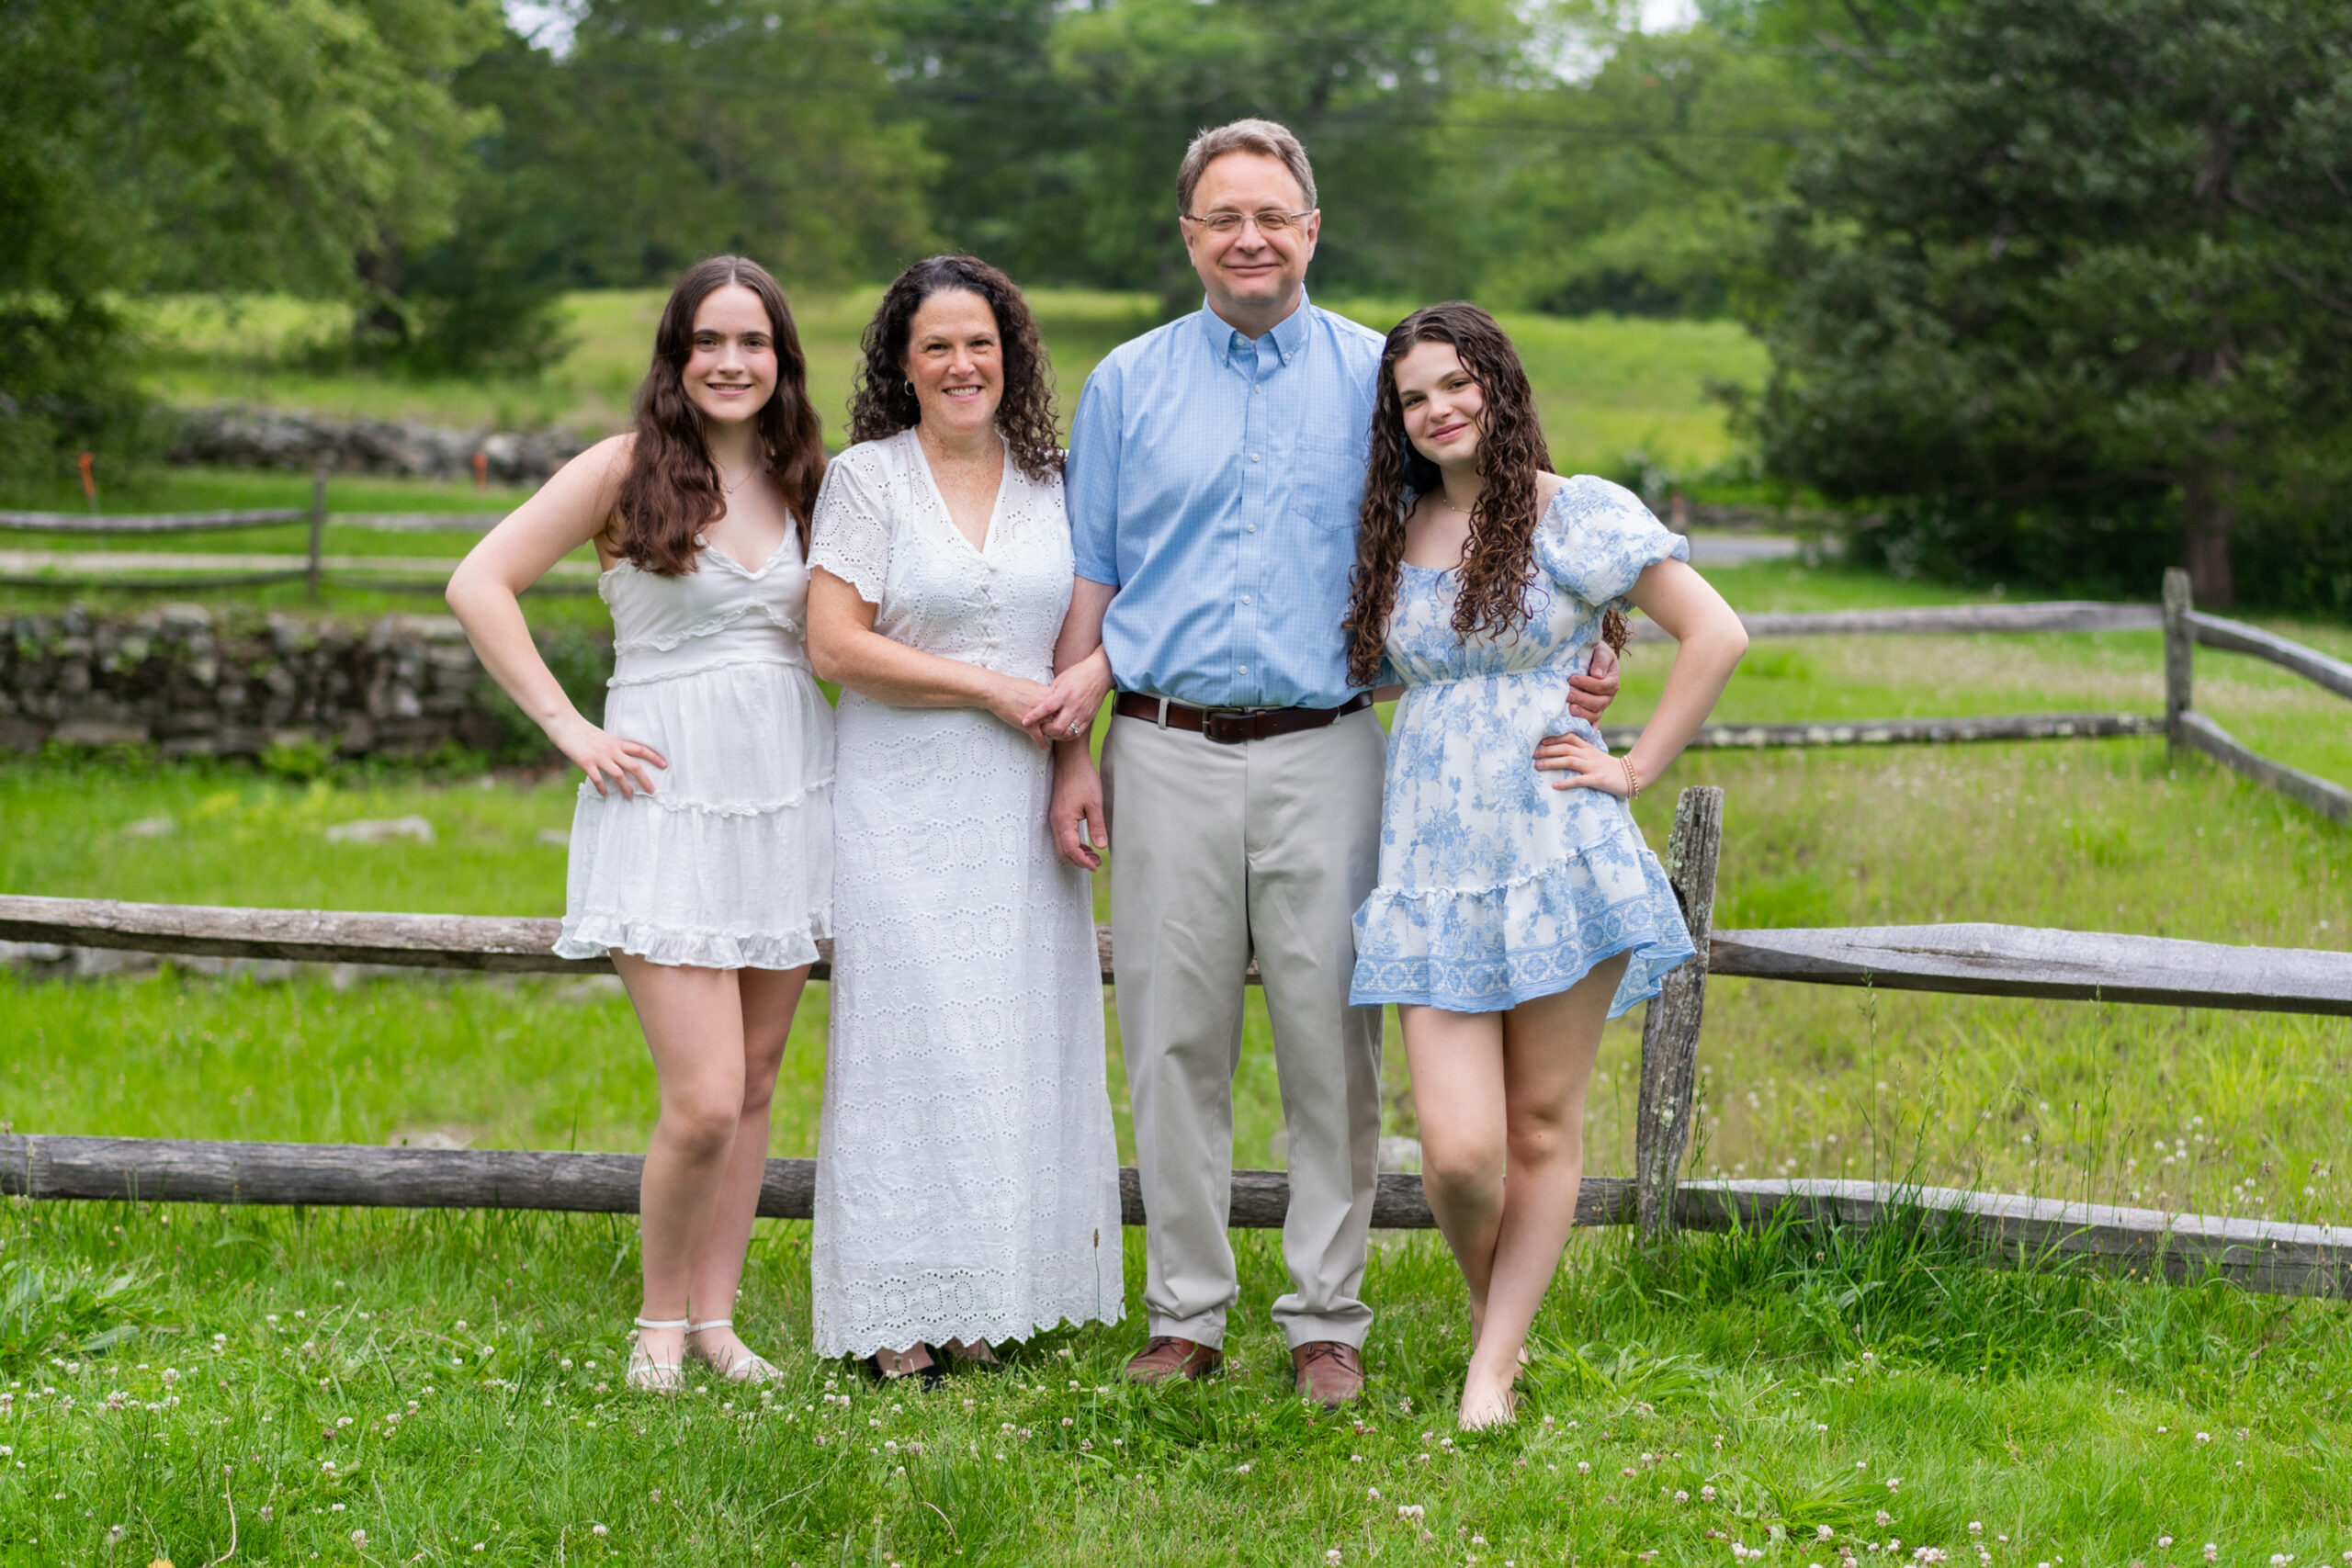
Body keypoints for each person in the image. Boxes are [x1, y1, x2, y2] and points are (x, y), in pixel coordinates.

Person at [1051, 118, 1620, 1408]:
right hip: (1162, 740)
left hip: (1330, 748)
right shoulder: (1128, 383)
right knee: (1172, 1038)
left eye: (1273, 214)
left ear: (1312, 227)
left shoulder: (1385, 378)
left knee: (1331, 1043)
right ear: (1188, 235)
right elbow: (1094, 574)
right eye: (1222, 217)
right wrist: (1070, 757)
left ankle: (1326, 1316)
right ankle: (1187, 1309)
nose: (1248, 236)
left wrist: (1599, 636)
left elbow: (1518, 511)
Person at [1342, 301, 1747, 1428]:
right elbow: (1375, 673)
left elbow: (1716, 634)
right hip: (1428, 860)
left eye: (1455, 384)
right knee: (1458, 1154)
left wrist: (1632, 768)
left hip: (1555, 846)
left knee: (1536, 1127)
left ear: (1497, 384)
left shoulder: (1571, 514)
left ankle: (1492, 1371)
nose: (1437, 410)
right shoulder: (1396, 525)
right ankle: (1497, 1330)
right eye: (1414, 397)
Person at [447, 255, 834, 1392]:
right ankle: (657, 1324)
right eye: (707, 341)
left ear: (780, 360)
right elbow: (480, 582)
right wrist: (569, 726)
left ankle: (719, 1319)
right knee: (704, 1096)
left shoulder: (806, 474)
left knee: (760, 1081)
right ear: (675, 356)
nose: (730, 361)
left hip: (786, 796)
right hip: (662, 798)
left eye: (752, 342)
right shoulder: (623, 472)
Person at [804, 254, 1124, 1384]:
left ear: (1012, 356)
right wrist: (990, 687)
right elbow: (835, 645)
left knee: (1011, 1038)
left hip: (1024, 798)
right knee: (911, 1039)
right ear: (902, 361)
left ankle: (984, 1295)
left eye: (979, 343)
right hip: (901, 794)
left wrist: (1073, 755)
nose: (960, 364)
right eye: (936, 344)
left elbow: (1081, 641)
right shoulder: (867, 479)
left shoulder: (1058, 481)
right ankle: (896, 1312)